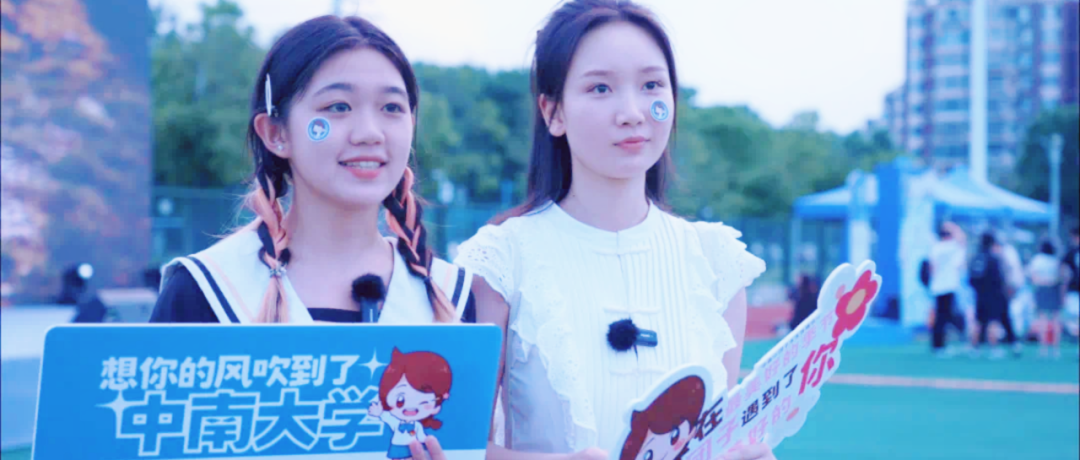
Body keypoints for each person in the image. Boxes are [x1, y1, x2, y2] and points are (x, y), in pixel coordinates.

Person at [454, 2, 775, 459]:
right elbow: (460, 447)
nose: (632, 112)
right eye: (600, 88)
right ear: (553, 112)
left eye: (651, 85)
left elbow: (715, 437)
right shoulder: (502, 261)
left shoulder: (716, 262)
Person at [149, 15, 474, 458]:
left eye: (392, 108)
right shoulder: (206, 289)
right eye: (337, 107)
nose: (369, 133)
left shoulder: (449, 297)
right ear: (276, 133)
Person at [969, 232, 1018, 359]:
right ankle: (993, 348)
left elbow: (971, 278)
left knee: (978, 321)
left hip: (979, 294)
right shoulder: (993, 258)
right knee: (993, 321)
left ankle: (974, 348)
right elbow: (999, 278)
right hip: (993, 294)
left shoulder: (976, 258)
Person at [928, 222, 968, 356]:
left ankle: (937, 345)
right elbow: (963, 238)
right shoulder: (952, 246)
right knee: (945, 317)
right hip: (949, 286)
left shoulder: (936, 247)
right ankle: (940, 345)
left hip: (937, 286)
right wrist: (953, 226)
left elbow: (932, 267)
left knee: (940, 316)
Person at [1027, 240, 1061, 358]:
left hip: (1042, 288)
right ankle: (1056, 348)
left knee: (1042, 319)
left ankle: (1043, 348)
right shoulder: (1055, 260)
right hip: (1054, 288)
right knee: (1055, 319)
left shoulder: (1037, 259)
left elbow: (1033, 276)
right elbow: (1060, 276)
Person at [1061, 225, 1079, 359]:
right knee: (1074, 319)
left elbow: (1063, 270)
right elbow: (1064, 269)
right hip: (1074, 290)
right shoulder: (1071, 252)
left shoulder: (1072, 251)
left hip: (1074, 290)